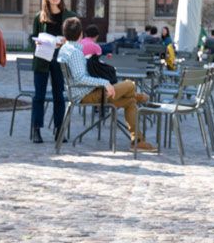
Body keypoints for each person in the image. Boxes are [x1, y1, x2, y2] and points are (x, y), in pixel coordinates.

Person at [57, 18, 155, 151]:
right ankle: (139, 97)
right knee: (130, 84)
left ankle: (137, 141)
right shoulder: (75, 53)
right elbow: (80, 78)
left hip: (83, 92)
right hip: (86, 95)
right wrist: (104, 83)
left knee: (130, 101)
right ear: (80, 34)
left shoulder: (65, 49)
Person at [30, 0, 77, 144]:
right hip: (42, 59)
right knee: (39, 96)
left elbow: (76, 39)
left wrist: (66, 41)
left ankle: (59, 130)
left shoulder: (70, 16)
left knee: (59, 95)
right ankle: (36, 129)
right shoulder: (40, 16)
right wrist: (36, 44)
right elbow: (33, 37)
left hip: (60, 59)